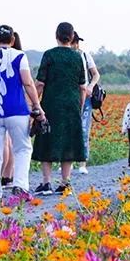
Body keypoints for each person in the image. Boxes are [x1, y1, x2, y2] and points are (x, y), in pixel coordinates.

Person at [0, 24, 43, 207]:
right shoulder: (20, 56)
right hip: (17, 110)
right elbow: (27, 83)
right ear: (12, 40)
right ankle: (20, 186)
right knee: (22, 149)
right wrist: (37, 105)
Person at [33, 22, 87, 194]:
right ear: (72, 37)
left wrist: (34, 103)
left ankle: (46, 182)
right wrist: (80, 105)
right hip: (71, 103)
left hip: (51, 102)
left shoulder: (49, 55)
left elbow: (40, 83)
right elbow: (82, 86)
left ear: (56, 35)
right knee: (69, 141)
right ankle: (65, 182)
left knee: (47, 139)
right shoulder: (78, 56)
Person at [71, 32, 101, 175]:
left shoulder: (84, 55)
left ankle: (82, 162)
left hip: (85, 97)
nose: (75, 45)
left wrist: (90, 87)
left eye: (77, 42)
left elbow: (96, 74)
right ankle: (67, 161)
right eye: (73, 42)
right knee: (68, 128)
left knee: (83, 129)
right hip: (70, 97)